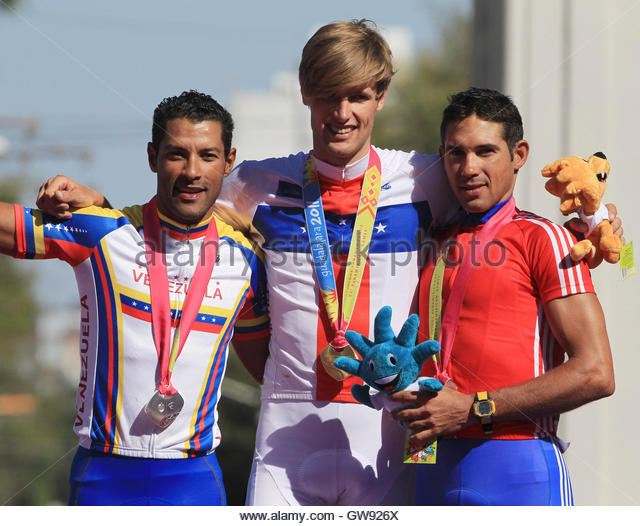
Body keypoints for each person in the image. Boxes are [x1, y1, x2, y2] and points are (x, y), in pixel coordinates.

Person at [36, 21, 622, 506]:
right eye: (327, 94)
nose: (341, 112)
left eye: (358, 95)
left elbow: (500, 212)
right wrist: (102, 205)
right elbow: (181, 208)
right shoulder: (251, 185)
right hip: (287, 431)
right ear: (304, 94)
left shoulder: (426, 178)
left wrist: (596, 229)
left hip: (388, 433)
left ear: (381, 96)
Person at [0, 90, 269, 505]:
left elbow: (272, 372)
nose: (192, 171)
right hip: (103, 477)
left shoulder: (247, 261)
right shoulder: (102, 233)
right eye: (177, 154)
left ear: (228, 161)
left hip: (192, 479)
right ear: (152, 157)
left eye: (208, 156)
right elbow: (8, 228)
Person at [388, 87, 615, 505]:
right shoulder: (432, 239)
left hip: (517, 466)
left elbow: (596, 372)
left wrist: (474, 408)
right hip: (430, 466)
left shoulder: (544, 238)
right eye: (456, 153)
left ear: (519, 154)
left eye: (486, 151)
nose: (468, 167)